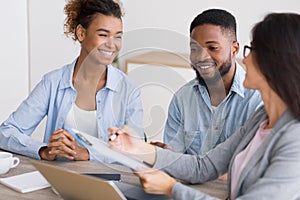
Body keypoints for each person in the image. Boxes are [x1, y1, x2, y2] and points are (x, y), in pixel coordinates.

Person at [109, 12, 300, 199]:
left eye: (253, 51)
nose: (246, 59)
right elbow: (203, 166)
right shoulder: (261, 118)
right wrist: (139, 148)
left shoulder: (295, 139)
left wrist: (171, 188)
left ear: (278, 61)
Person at [0, 0, 144, 161]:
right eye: (103, 35)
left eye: (118, 36)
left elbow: (137, 148)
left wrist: (87, 154)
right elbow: (6, 132)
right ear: (81, 33)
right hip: (60, 178)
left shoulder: (128, 89)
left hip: (110, 182)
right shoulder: (53, 83)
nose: (112, 44)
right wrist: (43, 150)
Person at [159, 9, 262, 155]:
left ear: (234, 49)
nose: (201, 57)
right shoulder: (182, 98)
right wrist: (166, 156)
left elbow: (250, 167)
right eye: (194, 49)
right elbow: (175, 162)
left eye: (212, 48)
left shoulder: (258, 100)